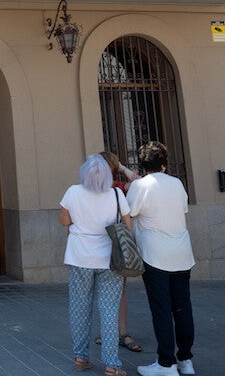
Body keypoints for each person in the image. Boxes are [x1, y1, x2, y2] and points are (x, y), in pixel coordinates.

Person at [127, 141, 196, 376]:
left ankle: (165, 363)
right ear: (164, 164)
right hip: (182, 253)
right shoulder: (177, 184)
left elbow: (129, 213)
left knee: (161, 310)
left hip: (154, 254)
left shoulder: (140, 186)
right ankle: (185, 359)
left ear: (143, 164)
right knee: (182, 308)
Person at [60, 154, 131, 376]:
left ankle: (81, 357)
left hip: (79, 258)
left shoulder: (73, 192)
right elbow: (127, 226)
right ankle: (112, 364)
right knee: (109, 310)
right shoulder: (117, 194)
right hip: (110, 259)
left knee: (80, 308)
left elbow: (64, 221)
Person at [98, 151, 143, 355]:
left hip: (114, 245)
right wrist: (122, 168)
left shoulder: (116, 188)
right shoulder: (87, 188)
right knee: (110, 292)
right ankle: (114, 332)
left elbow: (138, 184)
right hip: (101, 246)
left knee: (118, 291)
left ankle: (121, 333)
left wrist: (122, 168)